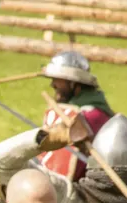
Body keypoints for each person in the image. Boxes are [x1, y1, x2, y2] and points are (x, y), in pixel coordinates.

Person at [37, 51, 113, 179]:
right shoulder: (75, 109)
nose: (52, 84)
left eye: (57, 79)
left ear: (73, 83)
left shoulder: (92, 115)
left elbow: (74, 169)